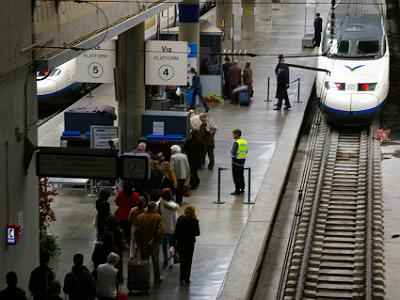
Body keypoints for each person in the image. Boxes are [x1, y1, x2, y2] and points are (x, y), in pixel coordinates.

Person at [134, 201, 165, 284]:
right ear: (154, 208)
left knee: (144, 261)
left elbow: (136, 231)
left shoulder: (140, 217)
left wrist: (138, 242)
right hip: (153, 244)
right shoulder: (157, 217)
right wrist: (155, 240)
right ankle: (157, 278)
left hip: (142, 243)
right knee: (155, 261)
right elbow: (160, 231)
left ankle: (144, 278)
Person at [174, 205, 200, 285]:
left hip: (181, 243)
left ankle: (181, 277)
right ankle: (187, 278)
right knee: (188, 261)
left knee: (182, 261)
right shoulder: (195, 221)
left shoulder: (180, 219)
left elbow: (176, 232)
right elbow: (197, 233)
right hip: (190, 244)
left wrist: (173, 243)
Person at [157, 188, 179, 268]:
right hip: (171, 229)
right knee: (171, 246)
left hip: (162, 228)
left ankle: (165, 260)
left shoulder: (159, 203)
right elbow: (175, 219)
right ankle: (171, 261)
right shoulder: (173, 206)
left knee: (163, 245)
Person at [230, 129, 248, 195]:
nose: (233, 135)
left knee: (236, 176)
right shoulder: (244, 142)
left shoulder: (236, 142)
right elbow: (246, 151)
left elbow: (234, 152)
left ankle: (237, 190)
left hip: (236, 162)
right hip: (242, 161)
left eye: (233, 134)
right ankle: (242, 188)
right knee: (241, 175)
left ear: (237, 134)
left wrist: (231, 151)